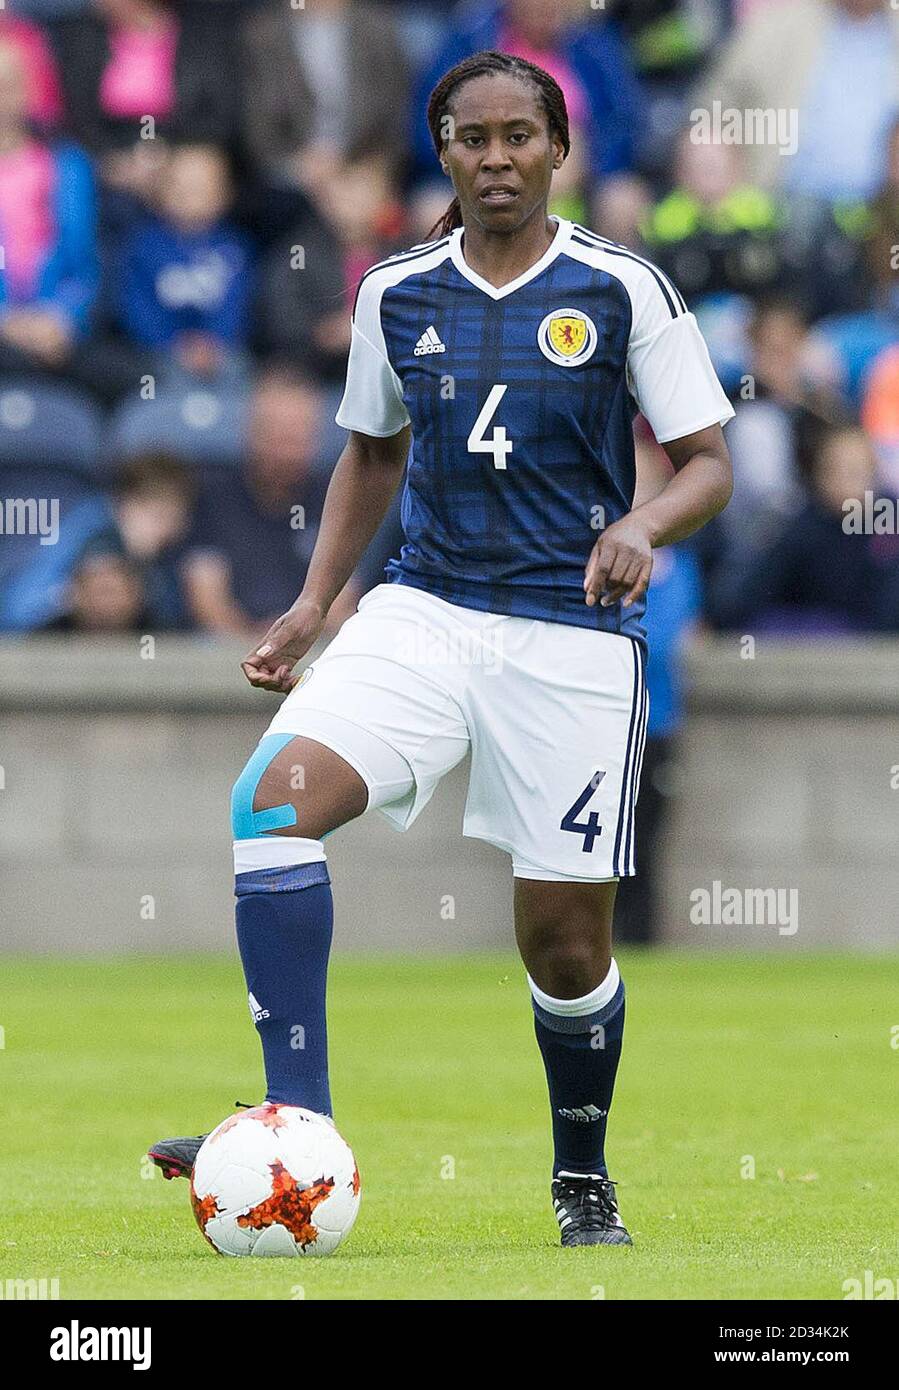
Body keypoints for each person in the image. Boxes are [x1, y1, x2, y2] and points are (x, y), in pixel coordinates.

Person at [149, 51, 733, 1247]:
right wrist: (319, 604)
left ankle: (581, 1178)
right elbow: (370, 452)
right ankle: (290, 1129)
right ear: (443, 149)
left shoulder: (622, 287)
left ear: (557, 147)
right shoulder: (395, 291)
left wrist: (640, 520)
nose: (496, 157)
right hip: (422, 610)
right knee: (270, 806)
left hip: (570, 635)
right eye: (471, 138)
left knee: (562, 943)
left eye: (519, 136)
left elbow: (708, 461)